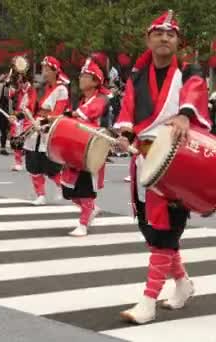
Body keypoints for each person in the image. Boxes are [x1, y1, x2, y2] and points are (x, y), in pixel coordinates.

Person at [114, 10, 211, 324]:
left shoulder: (189, 70)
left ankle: (148, 301)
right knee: (154, 232)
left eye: (171, 34)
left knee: (164, 232)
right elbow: (128, 108)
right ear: (149, 39)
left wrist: (184, 114)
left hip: (176, 163)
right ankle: (182, 285)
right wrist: (123, 135)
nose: (165, 38)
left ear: (178, 41)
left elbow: (194, 93)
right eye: (159, 33)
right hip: (145, 158)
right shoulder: (137, 76)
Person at [62, 58, 110, 237]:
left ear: (95, 81)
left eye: (85, 75)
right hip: (77, 147)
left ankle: (83, 224)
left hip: (91, 150)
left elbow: (87, 114)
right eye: (81, 75)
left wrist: (69, 115)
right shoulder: (82, 99)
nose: (80, 78)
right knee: (69, 189)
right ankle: (91, 209)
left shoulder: (100, 99)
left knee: (85, 188)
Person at [23, 56, 68, 206]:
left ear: (55, 71)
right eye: (43, 68)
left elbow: (59, 112)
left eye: (46, 69)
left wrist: (44, 121)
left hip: (49, 129)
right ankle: (40, 195)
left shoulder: (62, 90)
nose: (44, 71)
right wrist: (18, 114)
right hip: (34, 128)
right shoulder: (40, 88)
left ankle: (61, 186)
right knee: (33, 164)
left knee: (51, 166)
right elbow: (31, 107)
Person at [9, 72, 36, 171]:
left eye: (20, 81)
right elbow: (11, 96)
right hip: (18, 118)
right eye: (18, 81)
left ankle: (32, 161)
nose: (18, 83)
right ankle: (18, 162)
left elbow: (31, 107)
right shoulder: (19, 91)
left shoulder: (31, 91)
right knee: (16, 139)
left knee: (29, 141)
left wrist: (19, 115)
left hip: (27, 118)